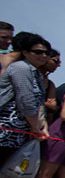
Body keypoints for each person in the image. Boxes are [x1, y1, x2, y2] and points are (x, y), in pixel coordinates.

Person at [0, 33, 51, 165]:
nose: (44, 56)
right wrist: (35, 126)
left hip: (18, 133)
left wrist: (41, 126)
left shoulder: (36, 74)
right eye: (38, 52)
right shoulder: (21, 68)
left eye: (46, 53)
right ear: (25, 52)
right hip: (5, 128)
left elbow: (39, 103)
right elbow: (25, 100)